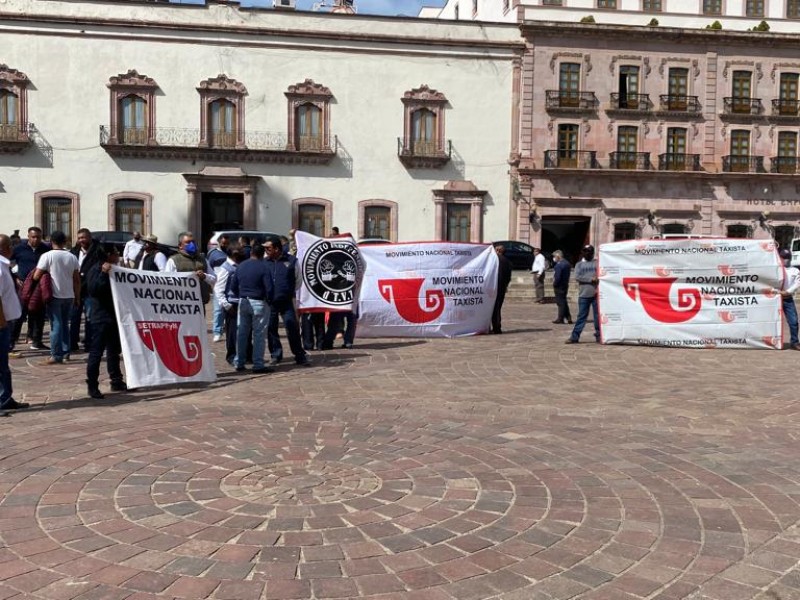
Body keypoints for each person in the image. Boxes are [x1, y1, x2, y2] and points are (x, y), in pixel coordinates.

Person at [85, 245, 127, 399]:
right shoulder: (96, 270)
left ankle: (116, 380)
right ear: (108, 255)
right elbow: (94, 290)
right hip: (100, 318)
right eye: (116, 253)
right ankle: (92, 385)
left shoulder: (115, 269)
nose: (118, 256)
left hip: (114, 317)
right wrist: (103, 273)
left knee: (114, 350)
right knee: (96, 352)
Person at [33, 231, 80, 364]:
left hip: (54, 295)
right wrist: (77, 296)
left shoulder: (47, 256)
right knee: (65, 324)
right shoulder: (72, 257)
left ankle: (56, 354)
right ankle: (66, 353)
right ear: (65, 241)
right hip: (69, 295)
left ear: (51, 241)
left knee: (56, 325)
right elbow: (77, 280)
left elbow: (36, 276)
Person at [264, 236, 310, 367]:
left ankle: (299, 355)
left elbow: (298, 280)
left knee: (292, 326)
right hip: (270, 302)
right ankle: (276, 354)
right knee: (271, 328)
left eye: (268, 248)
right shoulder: (265, 262)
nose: (266, 250)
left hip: (286, 301)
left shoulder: (291, 261)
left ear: (277, 249)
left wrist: (288, 291)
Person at [230, 244, 272, 374]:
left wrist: (241, 295)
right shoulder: (264, 267)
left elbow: (233, 285)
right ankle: (258, 364)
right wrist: (269, 300)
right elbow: (269, 287)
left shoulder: (241, 266)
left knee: (242, 334)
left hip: (243, 301)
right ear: (262, 254)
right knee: (258, 335)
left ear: (251, 253)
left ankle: (239, 362)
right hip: (259, 301)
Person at [0, 234, 27, 412]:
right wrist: (1, 322)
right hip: (1, 323)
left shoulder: (4, 265)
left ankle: (6, 397)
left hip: (7, 321)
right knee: (1, 363)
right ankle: (2, 399)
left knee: (3, 364)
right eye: (11, 245)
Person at [11, 226, 50, 351]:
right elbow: (9, 263)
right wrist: (15, 277)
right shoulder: (18, 249)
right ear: (28, 236)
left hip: (39, 286)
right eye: (33, 237)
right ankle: (12, 341)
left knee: (39, 314)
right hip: (22, 285)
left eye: (38, 237)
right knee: (20, 313)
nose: (36, 239)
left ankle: (36, 340)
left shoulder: (46, 249)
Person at [70, 228, 104, 353]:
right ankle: (72, 343)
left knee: (90, 318)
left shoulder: (98, 250)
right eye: (79, 238)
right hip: (76, 289)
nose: (81, 240)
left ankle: (89, 343)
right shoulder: (74, 252)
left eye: (83, 238)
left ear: (89, 237)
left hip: (91, 289)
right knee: (74, 317)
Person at [215, 247, 247, 366]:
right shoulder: (225, 268)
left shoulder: (241, 265)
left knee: (246, 331)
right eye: (240, 254)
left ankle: (246, 354)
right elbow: (219, 289)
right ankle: (232, 356)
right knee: (232, 332)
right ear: (233, 255)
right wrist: (227, 305)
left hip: (242, 301)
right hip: (231, 303)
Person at [164, 232, 216, 307]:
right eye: (188, 242)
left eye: (193, 242)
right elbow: (167, 281)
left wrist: (204, 276)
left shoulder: (203, 259)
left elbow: (214, 279)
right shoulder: (173, 260)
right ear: (180, 246)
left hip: (200, 304)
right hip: (181, 304)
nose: (192, 244)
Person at [566, 244, 599, 344]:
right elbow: (577, 277)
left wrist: (596, 279)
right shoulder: (579, 265)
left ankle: (599, 336)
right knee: (581, 317)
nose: (588, 253)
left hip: (596, 295)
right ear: (583, 252)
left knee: (597, 317)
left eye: (590, 251)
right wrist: (590, 279)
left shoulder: (597, 264)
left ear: (593, 253)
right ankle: (574, 337)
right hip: (584, 295)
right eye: (586, 251)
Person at [208, 234, 231, 342]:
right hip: (219, 284)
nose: (225, 245)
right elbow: (210, 268)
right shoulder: (214, 254)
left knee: (231, 308)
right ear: (219, 242)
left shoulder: (231, 251)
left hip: (230, 284)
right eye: (223, 243)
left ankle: (229, 330)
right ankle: (217, 332)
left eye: (226, 243)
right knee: (218, 309)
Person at [779, 248, 800, 350]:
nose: (785, 260)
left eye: (787, 258)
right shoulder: (776, 269)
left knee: (794, 321)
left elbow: (797, 284)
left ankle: (794, 342)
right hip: (775, 299)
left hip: (787, 299)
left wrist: (787, 292)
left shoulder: (795, 271)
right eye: (783, 258)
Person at [491, 244, 513, 334]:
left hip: (493, 286)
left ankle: (496, 327)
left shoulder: (494, 260)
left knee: (494, 307)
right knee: (498, 307)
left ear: (498, 251)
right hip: (502, 287)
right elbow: (508, 277)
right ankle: (497, 326)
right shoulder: (508, 262)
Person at [551, 250, 573, 325]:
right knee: (563, 301)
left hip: (559, 285)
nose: (554, 258)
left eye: (554, 256)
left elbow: (557, 277)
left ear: (558, 256)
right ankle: (568, 316)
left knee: (560, 302)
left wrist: (554, 284)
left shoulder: (559, 265)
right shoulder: (567, 263)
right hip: (565, 284)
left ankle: (560, 318)